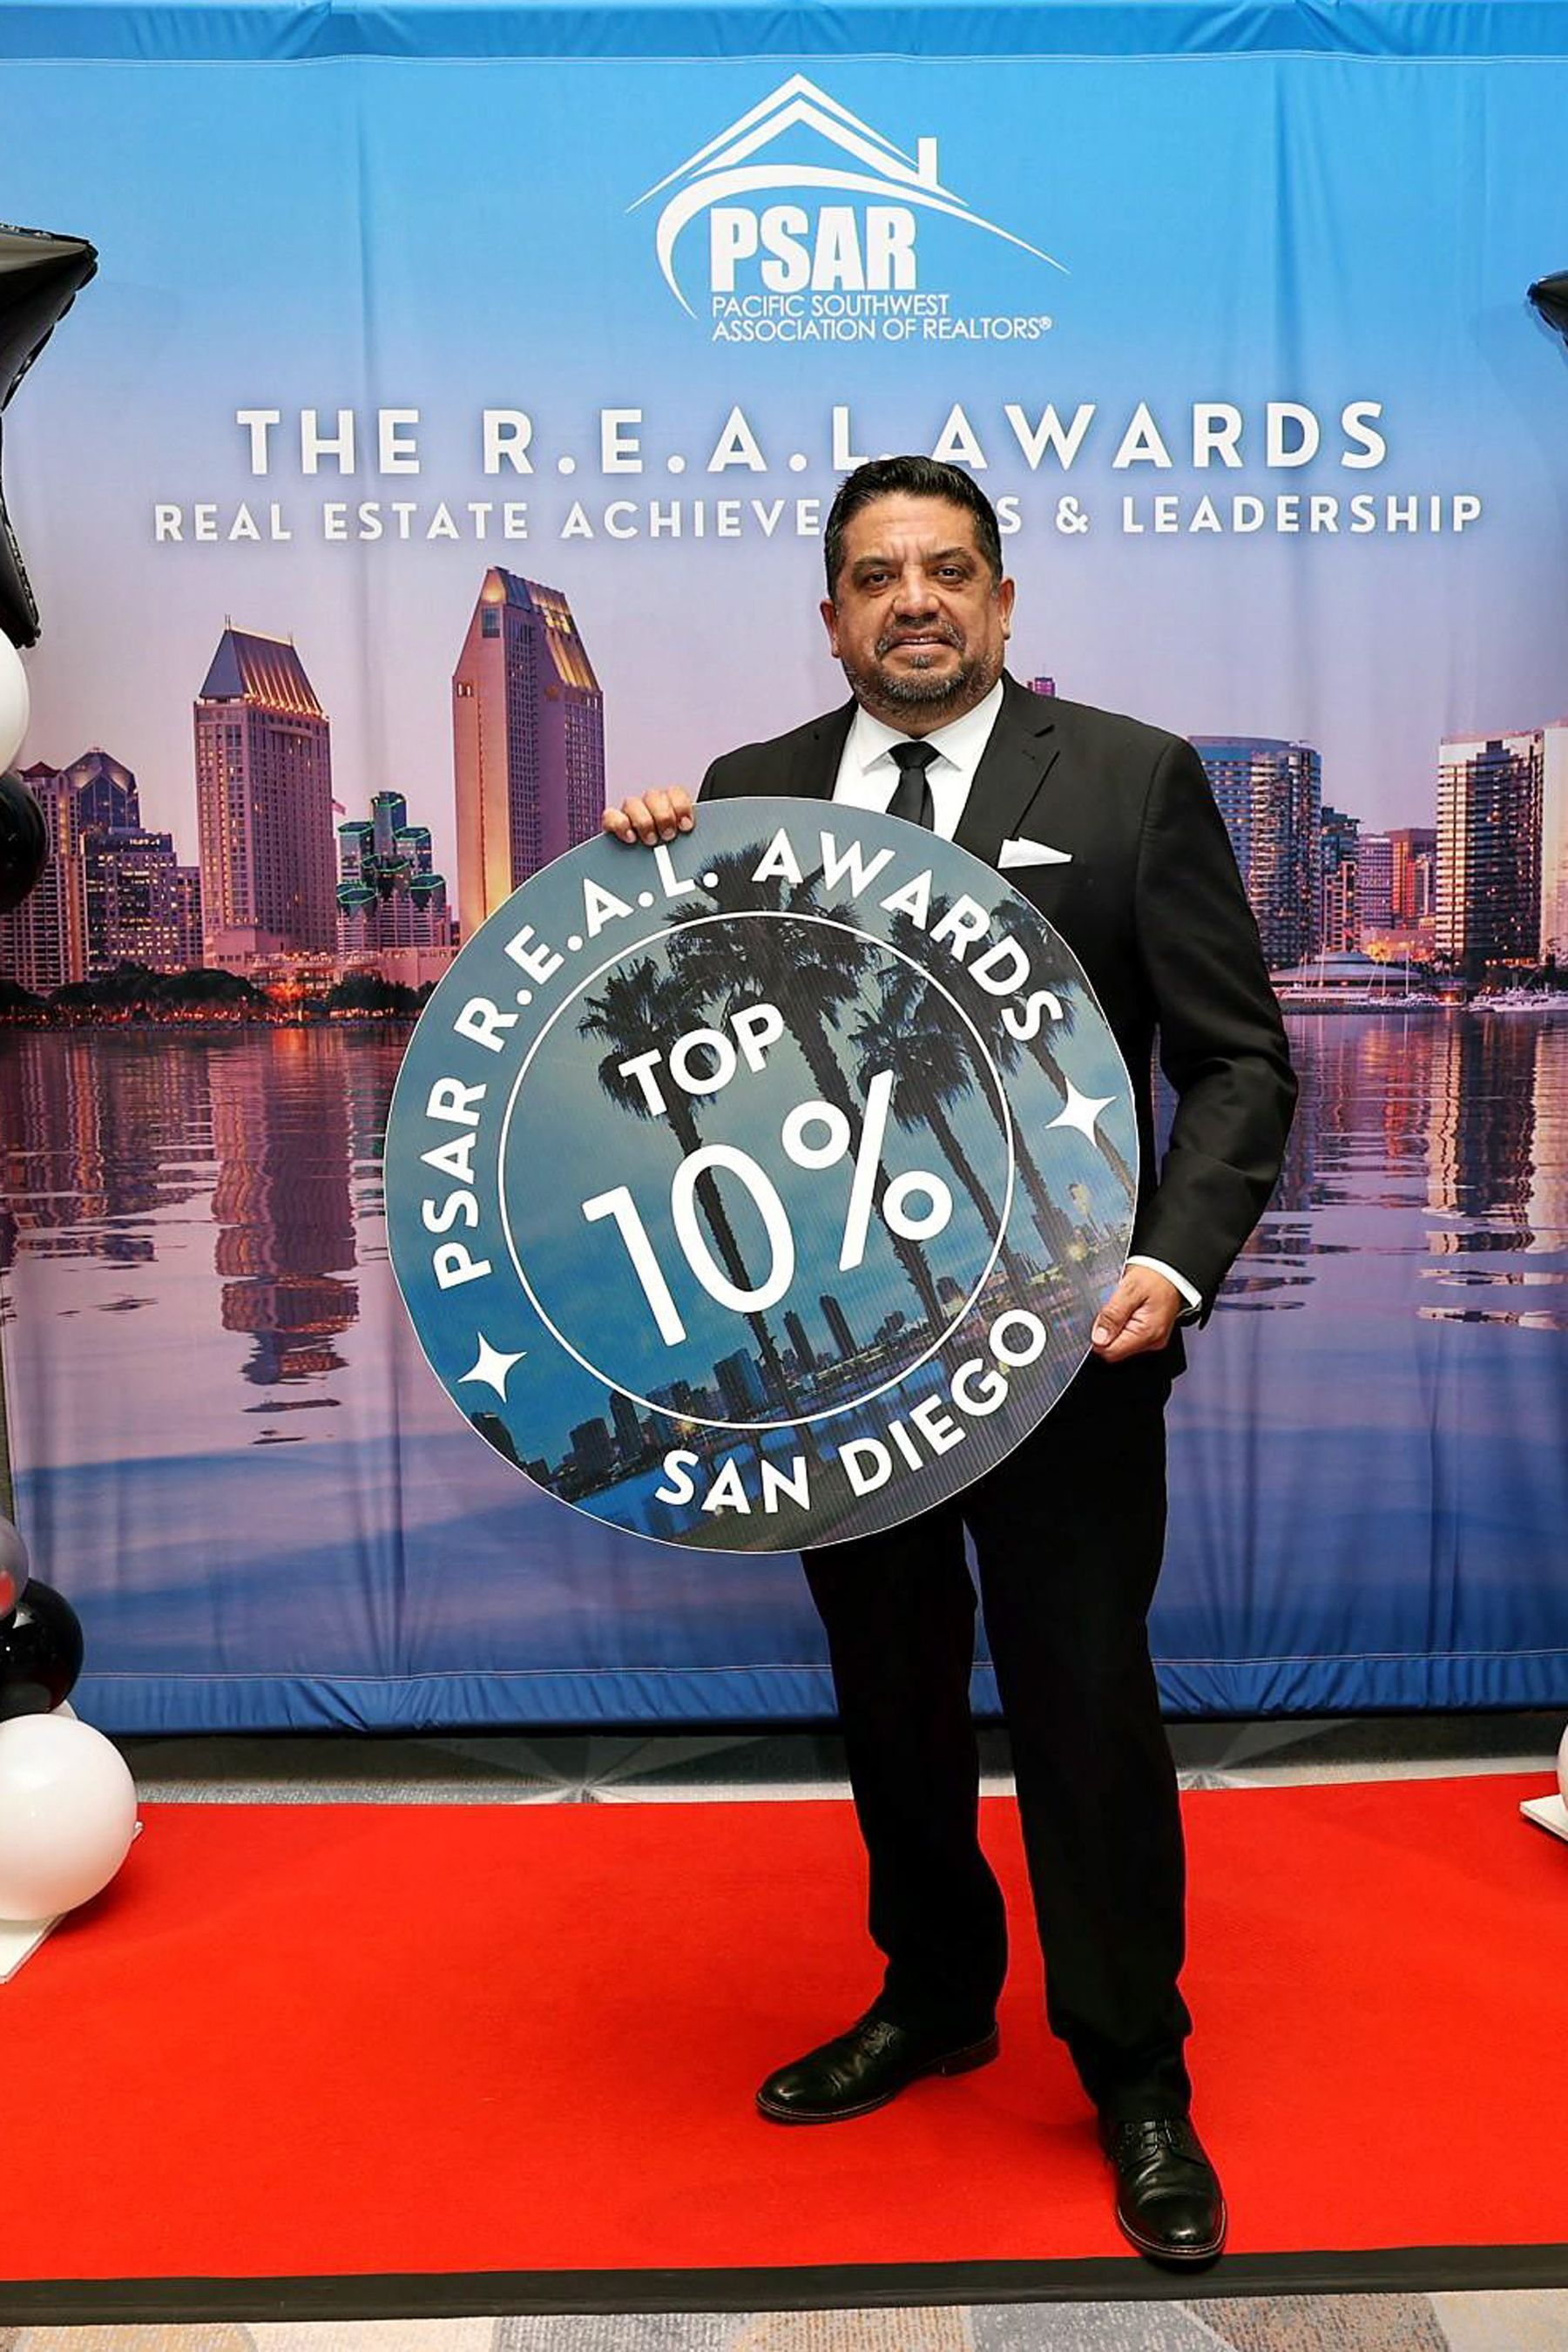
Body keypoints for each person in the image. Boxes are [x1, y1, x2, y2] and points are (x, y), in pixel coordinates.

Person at [603, 455, 1296, 2268]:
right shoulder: (745, 795)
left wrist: (1175, 1264)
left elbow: (1238, 1062)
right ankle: (933, 1994)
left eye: (947, 571)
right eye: (876, 575)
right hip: (841, 1355)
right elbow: (656, 1051)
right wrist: (632, 885)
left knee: (1084, 1704)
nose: (914, 600)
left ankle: (1136, 2071)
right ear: (831, 614)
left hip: (1071, 1349)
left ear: (1001, 601)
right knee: (890, 1688)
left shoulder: (1132, 779)